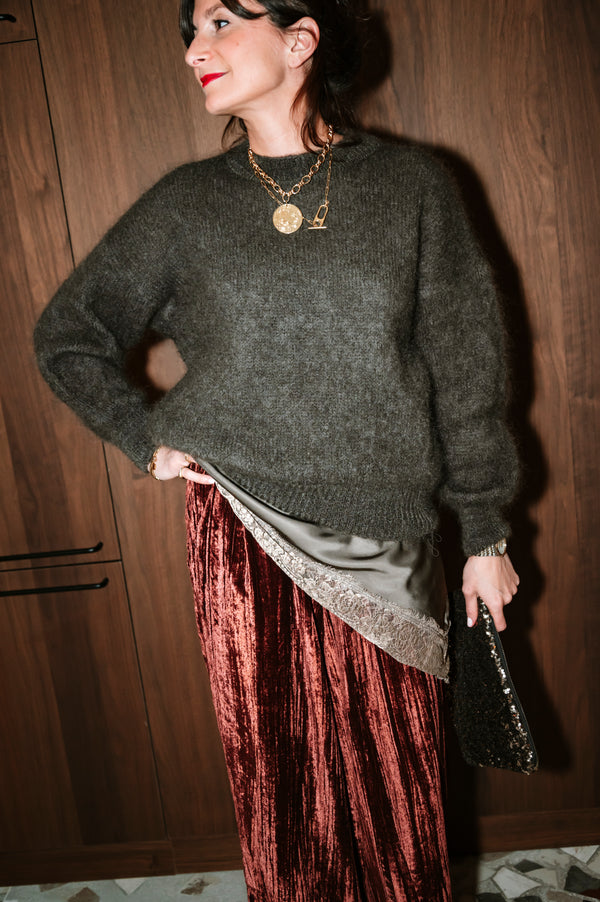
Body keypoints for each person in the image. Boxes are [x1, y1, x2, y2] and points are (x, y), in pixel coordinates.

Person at [34, 0, 520, 899]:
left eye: (221, 20)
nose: (197, 49)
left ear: (301, 38)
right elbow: (69, 334)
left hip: (385, 536)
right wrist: (145, 439)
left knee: (397, 797)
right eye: (190, 31)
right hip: (242, 535)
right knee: (283, 795)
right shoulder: (185, 204)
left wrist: (485, 532)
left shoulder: (412, 187)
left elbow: (466, 367)